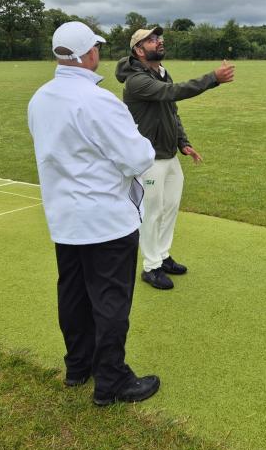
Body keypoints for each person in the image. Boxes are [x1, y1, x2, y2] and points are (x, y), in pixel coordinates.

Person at [28, 21, 160, 407]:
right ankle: (111, 381)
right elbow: (138, 157)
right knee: (110, 301)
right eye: (96, 48)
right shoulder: (98, 100)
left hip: (64, 217)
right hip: (105, 219)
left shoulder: (40, 98)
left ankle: (78, 366)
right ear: (89, 53)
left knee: (73, 294)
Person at [115, 27, 235, 290]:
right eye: (151, 40)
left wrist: (183, 142)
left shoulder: (161, 72)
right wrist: (213, 78)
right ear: (138, 50)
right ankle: (151, 267)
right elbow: (172, 92)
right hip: (148, 160)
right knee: (151, 213)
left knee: (169, 208)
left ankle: (163, 255)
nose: (159, 41)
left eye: (159, 38)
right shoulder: (136, 80)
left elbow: (171, 111)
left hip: (169, 155)